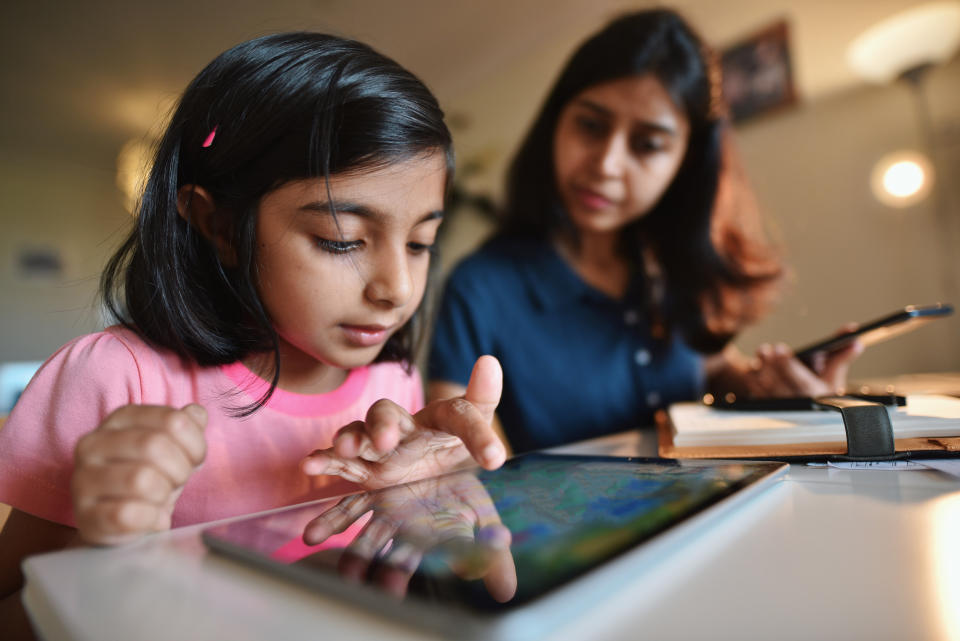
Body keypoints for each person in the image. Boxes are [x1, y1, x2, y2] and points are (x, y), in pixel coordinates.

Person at [0, 32, 507, 632]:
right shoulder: (114, 379)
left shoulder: (393, 380)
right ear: (218, 226)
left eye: (421, 243)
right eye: (341, 239)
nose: (396, 287)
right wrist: (100, 550)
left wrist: (445, 498)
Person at [427, 9, 862, 453]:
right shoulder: (480, 287)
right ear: (555, 122)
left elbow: (711, 368)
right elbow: (453, 445)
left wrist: (780, 390)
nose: (607, 164)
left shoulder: (672, 261)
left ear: (686, 163)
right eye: (591, 126)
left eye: (648, 144)